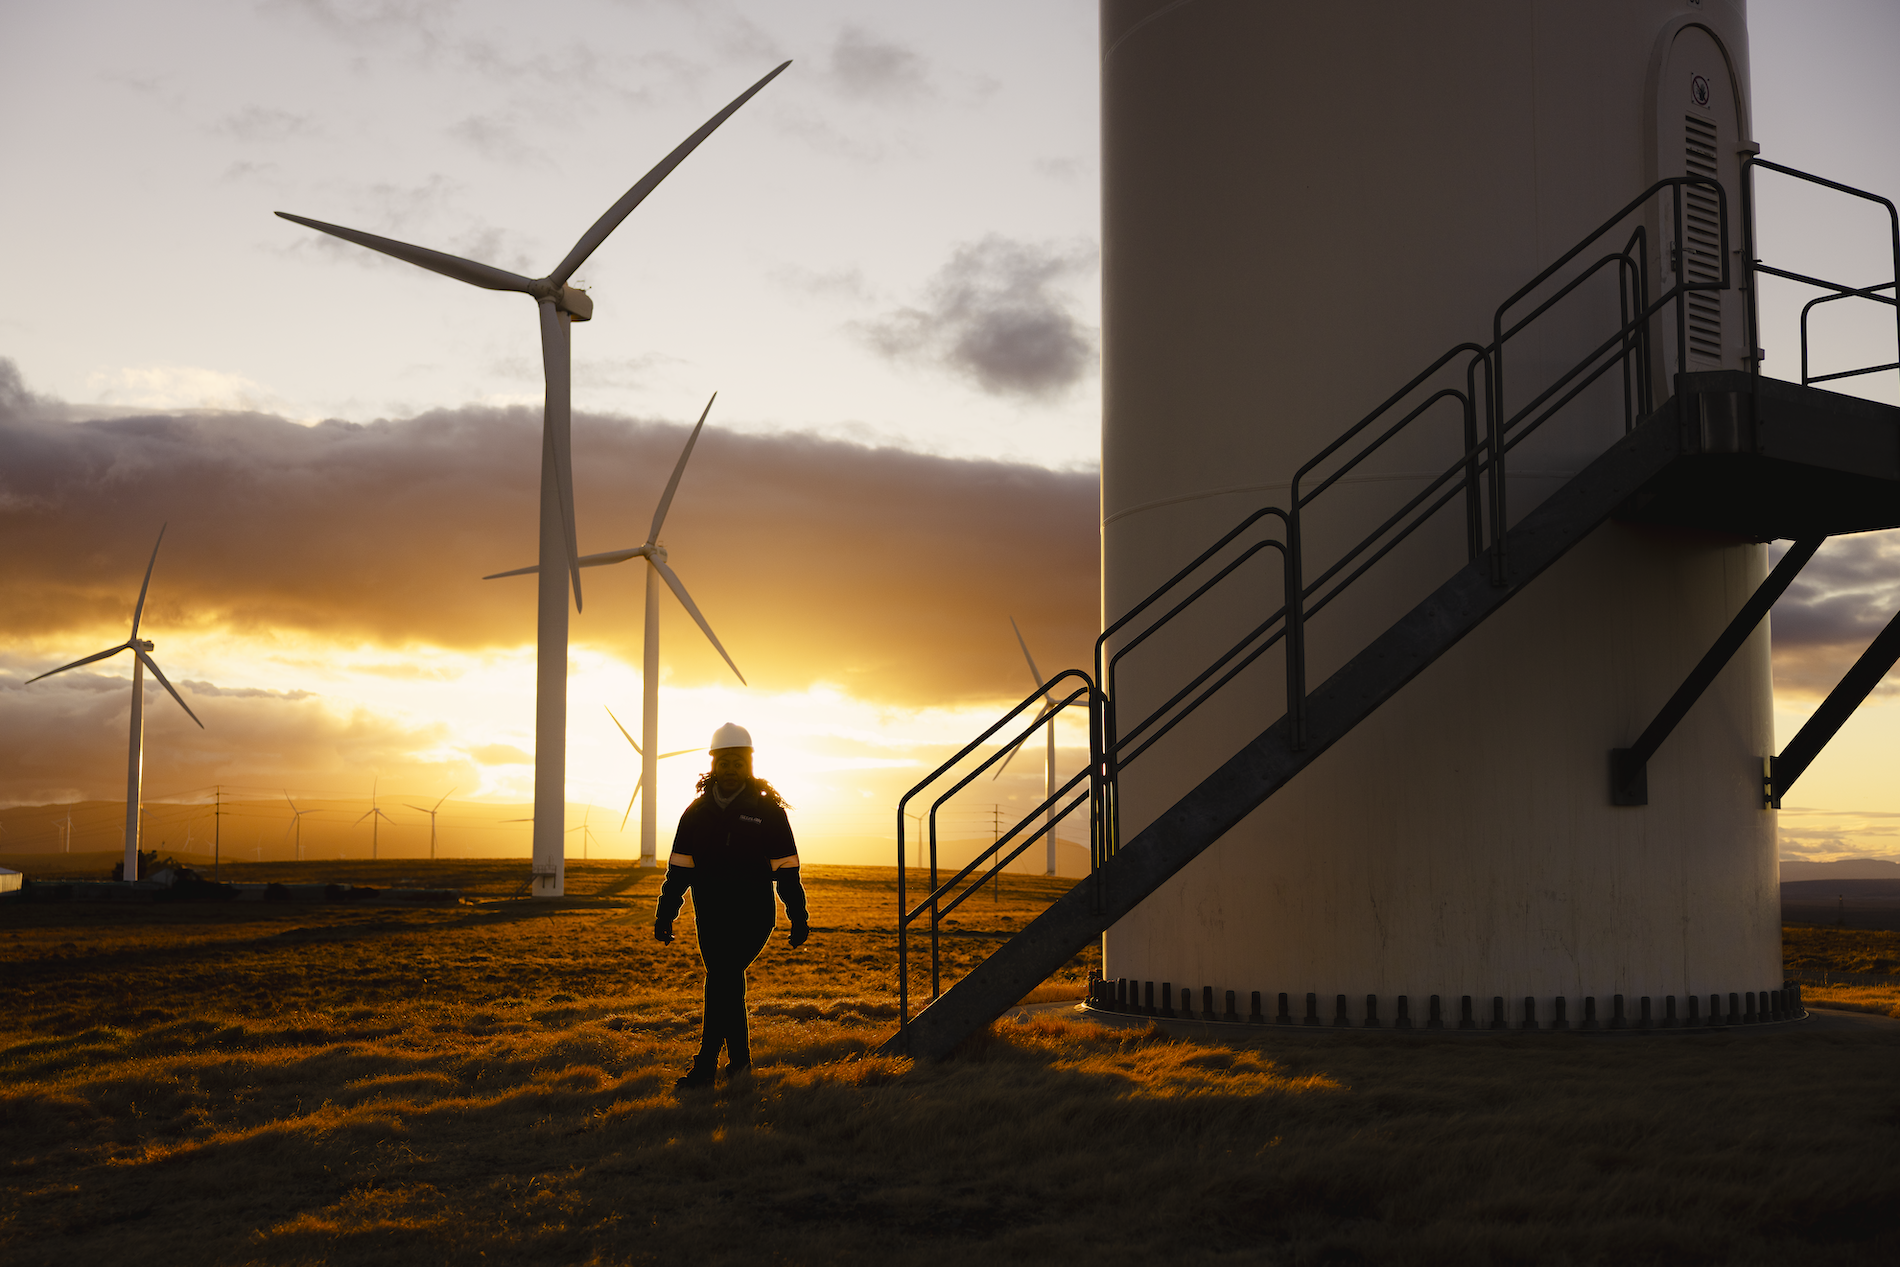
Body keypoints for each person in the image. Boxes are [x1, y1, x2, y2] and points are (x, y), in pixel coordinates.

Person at [654, 722, 809, 1090]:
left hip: (753, 916)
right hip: (709, 916)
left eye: (738, 761)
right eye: (725, 760)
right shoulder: (695, 812)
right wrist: (666, 911)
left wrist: (797, 916)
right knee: (728, 985)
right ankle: (740, 1066)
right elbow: (678, 870)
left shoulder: (767, 811)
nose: (731, 767)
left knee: (720, 980)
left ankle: (705, 1066)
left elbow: (787, 870)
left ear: (749, 763)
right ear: (713, 764)